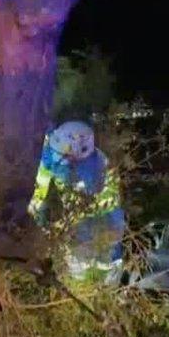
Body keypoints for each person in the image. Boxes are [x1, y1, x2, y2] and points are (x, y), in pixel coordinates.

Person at [29, 120, 126, 282]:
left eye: (63, 155)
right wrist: (33, 212)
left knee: (105, 260)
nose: (57, 158)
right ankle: (80, 284)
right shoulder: (54, 154)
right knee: (77, 264)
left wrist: (59, 225)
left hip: (104, 221)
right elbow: (41, 183)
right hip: (79, 221)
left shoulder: (95, 167)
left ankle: (107, 287)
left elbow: (89, 205)